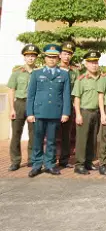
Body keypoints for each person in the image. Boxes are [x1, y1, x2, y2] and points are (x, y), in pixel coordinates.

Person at [26, 44, 72, 178]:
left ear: (58, 58)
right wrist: (30, 113)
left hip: (55, 112)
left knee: (52, 140)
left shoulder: (64, 74)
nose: (51, 59)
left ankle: (50, 164)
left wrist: (65, 112)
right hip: (39, 112)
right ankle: (36, 165)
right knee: (37, 140)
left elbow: (66, 95)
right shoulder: (36, 73)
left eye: (54, 57)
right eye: (49, 57)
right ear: (45, 58)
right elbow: (31, 95)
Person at [8, 44, 39, 171]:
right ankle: (15, 161)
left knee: (34, 134)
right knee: (16, 133)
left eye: (33, 56)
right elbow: (11, 90)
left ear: (36, 58)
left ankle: (32, 159)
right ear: (24, 57)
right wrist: (12, 108)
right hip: (20, 104)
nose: (30, 58)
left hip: (34, 105)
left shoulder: (39, 72)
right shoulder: (17, 73)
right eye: (28, 56)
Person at [72, 51, 103, 175]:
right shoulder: (81, 80)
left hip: (96, 112)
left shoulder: (101, 78)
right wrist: (78, 114)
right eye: (91, 63)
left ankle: (89, 162)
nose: (94, 65)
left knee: (92, 139)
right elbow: (77, 98)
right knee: (82, 139)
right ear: (86, 64)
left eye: (96, 62)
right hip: (84, 112)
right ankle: (79, 164)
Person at [57, 41, 78, 169]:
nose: (67, 56)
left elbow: (78, 90)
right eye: (64, 53)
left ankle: (64, 160)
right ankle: (50, 159)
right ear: (59, 55)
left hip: (69, 105)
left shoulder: (75, 71)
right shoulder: (54, 69)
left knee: (66, 134)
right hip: (55, 105)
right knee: (52, 133)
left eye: (69, 54)